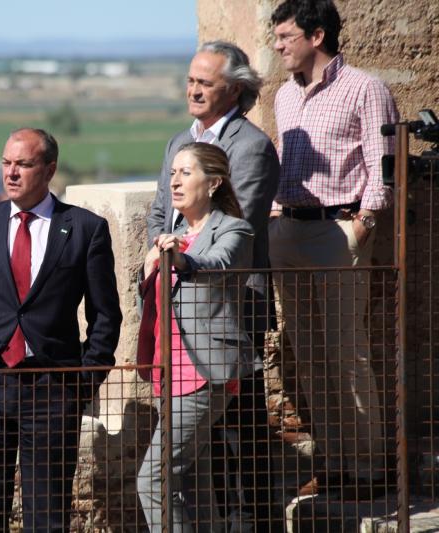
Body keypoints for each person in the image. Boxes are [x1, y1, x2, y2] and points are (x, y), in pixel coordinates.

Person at [0, 127, 122, 532]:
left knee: (48, 516)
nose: (11, 173)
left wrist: (82, 383)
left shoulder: (85, 228)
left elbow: (105, 315)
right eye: (6, 162)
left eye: (23, 163)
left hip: (52, 390)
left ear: (50, 169)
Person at [147, 40, 280, 530]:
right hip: (179, 304)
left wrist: (178, 253)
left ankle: (256, 519)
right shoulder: (178, 141)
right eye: (190, 80)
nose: (194, 89)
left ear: (236, 88)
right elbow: (161, 213)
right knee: (201, 448)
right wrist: (160, 251)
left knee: (242, 427)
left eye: (205, 82)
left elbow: (231, 222)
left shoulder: (251, 146)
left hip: (234, 300)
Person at [269, 0, 398, 498]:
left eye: (285, 37)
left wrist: (362, 225)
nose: (278, 46)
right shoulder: (284, 96)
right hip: (290, 232)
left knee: (347, 352)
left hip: (336, 231)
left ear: (316, 36)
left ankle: (368, 469)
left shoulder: (364, 88)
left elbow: (384, 166)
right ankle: (334, 463)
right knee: (308, 353)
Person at [137, 142, 256, 532]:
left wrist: (182, 259)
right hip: (169, 372)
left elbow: (218, 264)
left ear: (214, 182)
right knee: (191, 482)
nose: (174, 181)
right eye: (172, 173)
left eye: (186, 173)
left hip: (208, 372)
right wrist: (148, 272)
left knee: (153, 479)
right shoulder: (171, 234)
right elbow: (155, 309)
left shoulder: (234, 230)